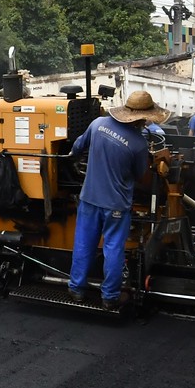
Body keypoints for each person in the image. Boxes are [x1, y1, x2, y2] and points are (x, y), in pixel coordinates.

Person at [66, 90, 167, 308]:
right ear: (142, 117)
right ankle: (109, 297)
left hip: (89, 198)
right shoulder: (138, 143)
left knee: (84, 245)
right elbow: (140, 175)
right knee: (113, 249)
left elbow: (77, 148)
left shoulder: (97, 124)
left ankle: (76, 290)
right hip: (116, 205)